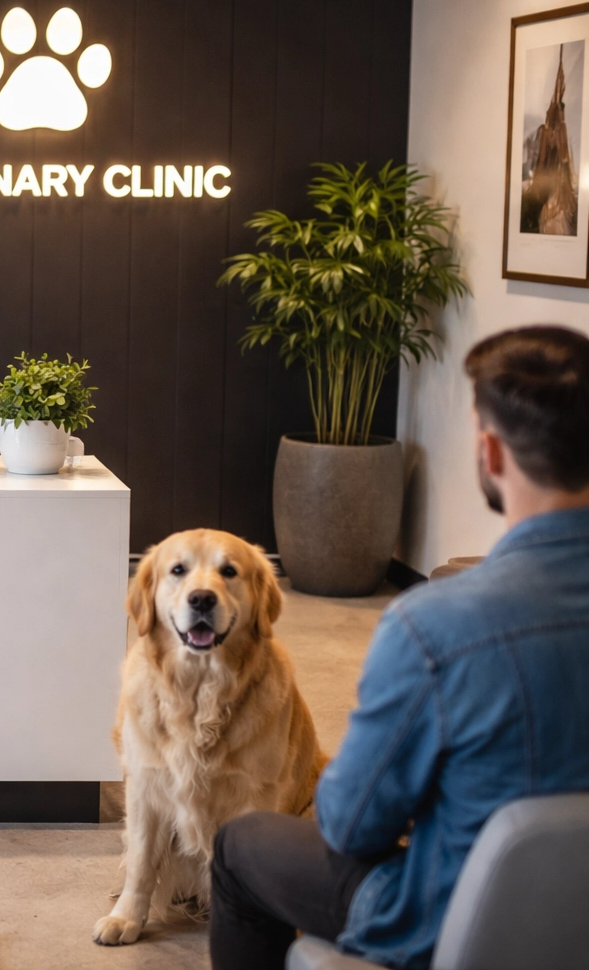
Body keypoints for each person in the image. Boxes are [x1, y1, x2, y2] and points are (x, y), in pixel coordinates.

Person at [208, 325, 589, 970]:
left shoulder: (435, 627)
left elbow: (350, 825)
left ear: (491, 453)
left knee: (240, 845)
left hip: (444, 918)